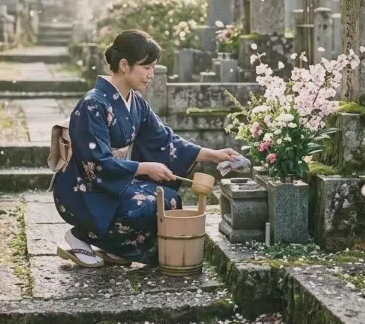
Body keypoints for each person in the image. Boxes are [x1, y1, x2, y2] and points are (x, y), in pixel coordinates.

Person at [53, 29, 241, 268]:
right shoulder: (93, 104)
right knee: (145, 207)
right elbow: (96, 162)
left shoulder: (137, 102)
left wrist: (213, 155)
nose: (151, 74)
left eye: (153, 67)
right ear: (124, 65)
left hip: (114, 179)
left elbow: (165, 141)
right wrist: (144, 168)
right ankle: (81, 234)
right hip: (84, 188)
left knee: (169, 200)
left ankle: (117, 248)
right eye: (146, 67)